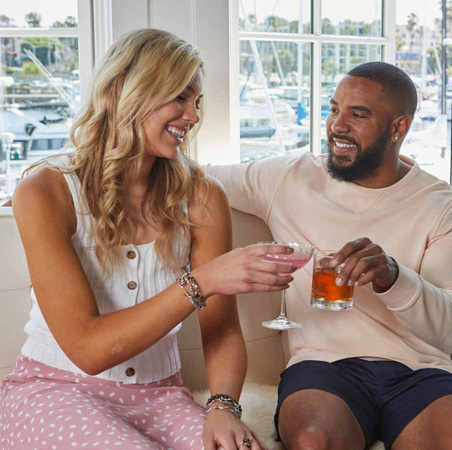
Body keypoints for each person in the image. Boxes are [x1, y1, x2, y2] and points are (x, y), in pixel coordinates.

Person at [0, 29, 297, 450]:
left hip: (160, 396)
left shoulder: (203, 197)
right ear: (125, 89)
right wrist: (204, 280)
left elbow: (223, 331)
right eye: (180, 97)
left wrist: (223, 409)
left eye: (196, 102)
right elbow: (88, 349)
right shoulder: (45, 192)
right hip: (56, 390)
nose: (193, 116)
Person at [204, 61, 452, 450]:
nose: (336, 125)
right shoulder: (289, 177)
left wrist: (394, 278)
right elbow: (198, 178)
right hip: (322, 368)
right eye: (333, 110)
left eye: (357, 114)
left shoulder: (444, 207)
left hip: (421, 372)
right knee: (315, 442)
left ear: (399, 127)